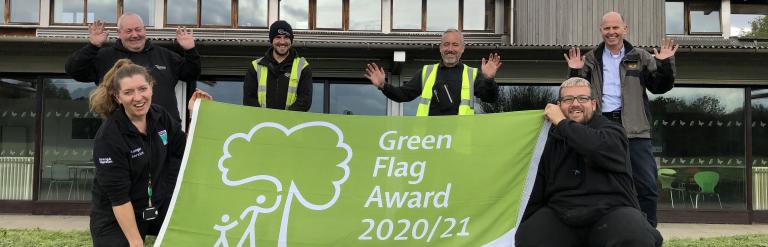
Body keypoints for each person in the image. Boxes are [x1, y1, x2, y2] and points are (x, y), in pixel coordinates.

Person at [516, 77, 662, 247]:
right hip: (561, 212)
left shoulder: (612, 130)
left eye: (582, 99)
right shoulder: (548, 140)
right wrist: (524, 221)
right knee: (529, 236)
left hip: (613, 211)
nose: (575, 104)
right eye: (568, 99)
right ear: (559, 105)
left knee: (634, 237)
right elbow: (536, 185)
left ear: (593, 104)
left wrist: (562, 122)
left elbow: (596, 147)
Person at [563, 11, 678, 227]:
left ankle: (648, 229)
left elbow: (660, 87)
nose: (611, 32)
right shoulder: (590, 59)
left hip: (635, 129)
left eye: (616, 27)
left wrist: (663, 64)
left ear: (625, 29)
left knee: (646, 184)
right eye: (607, 28)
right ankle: (601, 228)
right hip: (601, 127)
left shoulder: (640, 56)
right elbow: (576, 93)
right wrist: (574, 71)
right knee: (596, 180)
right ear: (601, 31)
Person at [88, 59, 210, 247]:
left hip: (156, 205)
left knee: (194, 235)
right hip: (117, 215)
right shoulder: (109, 137)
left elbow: (184, 151)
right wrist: (136, 242)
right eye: (128, 92)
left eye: (142, 89)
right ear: (117, 97)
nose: (138, 97)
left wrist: (195, 115)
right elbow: (119, 198)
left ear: (151, 88)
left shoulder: (160, 116)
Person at [66, 13, 201, 122]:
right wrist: (93, 46)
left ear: (145, 31)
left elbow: (191, 74)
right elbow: (74, 70)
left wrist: (190, 50)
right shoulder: (105, 57)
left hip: (165, 131)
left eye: (138, 29)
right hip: (122, 134)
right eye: (128, 31)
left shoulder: (165, 56)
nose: (135, 35)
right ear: (119, 33)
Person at [364, 29, 501, 116]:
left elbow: (491, 98)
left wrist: (489, 79)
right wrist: (383, 85)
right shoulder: (426, 72)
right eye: (446, 44)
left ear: (462, 49)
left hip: (460, 147)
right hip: (430, 143)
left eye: (455, 44)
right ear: (440, 48)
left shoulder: (472, 74)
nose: (450, 49)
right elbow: (403, 95)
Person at [243, 20, 312, 111]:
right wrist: (265, 119)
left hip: (290, 124)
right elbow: (249, 100)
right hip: (262, 123)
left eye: (286, 37)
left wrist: (282, 120)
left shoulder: (302, 67)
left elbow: (305, 101)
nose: (282, 42)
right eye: (278, 37)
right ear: (272, 40)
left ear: (291, 40)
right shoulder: (256, 66)